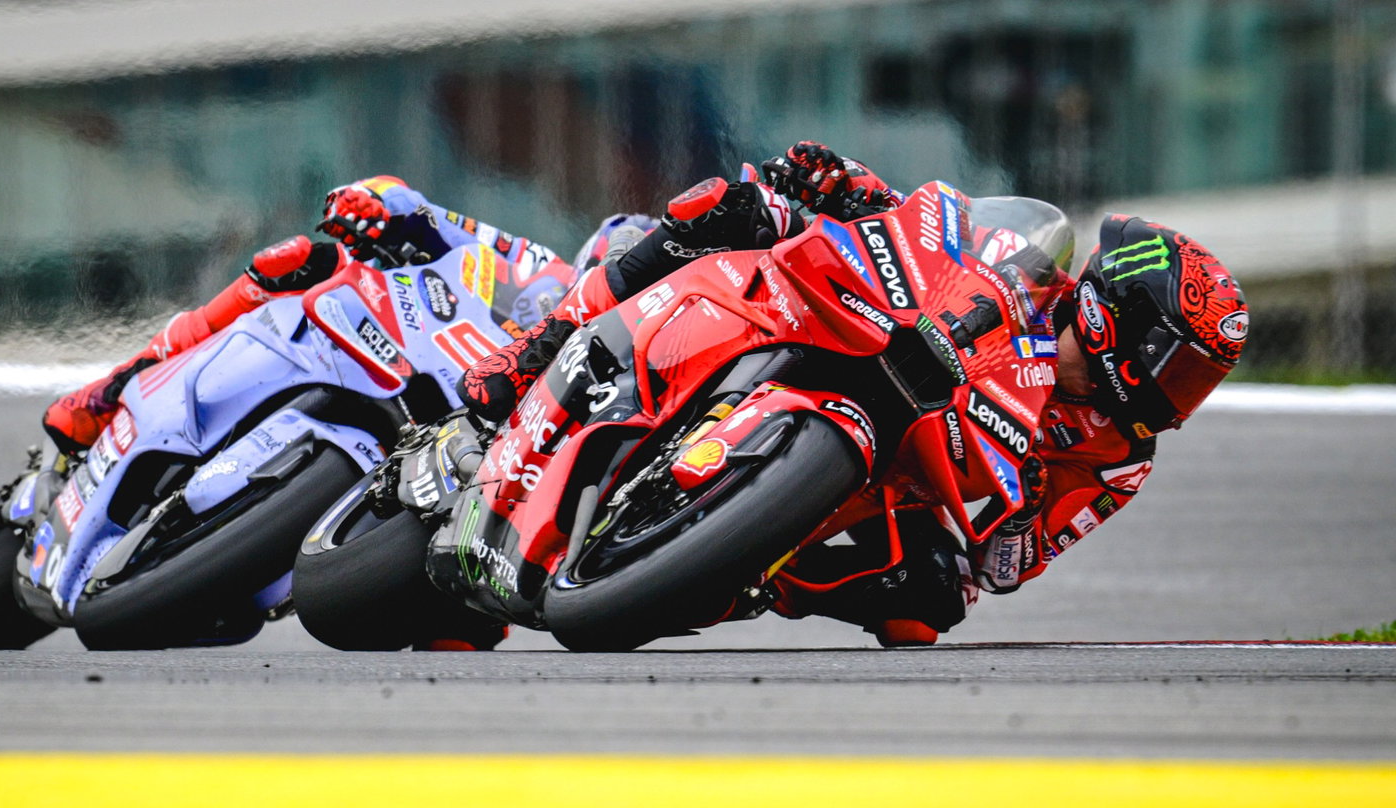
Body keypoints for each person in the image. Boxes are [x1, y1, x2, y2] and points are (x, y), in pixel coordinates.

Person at [459, 142, 1250, 647]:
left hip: (904, 473)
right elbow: (931, 235)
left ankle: (741, 568)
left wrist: (1017, 512)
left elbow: (1009, 563)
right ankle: (534, 353)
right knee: (735, 208)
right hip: (853, 326)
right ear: (1123, 317)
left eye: (1200, 383)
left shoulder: (1119, 459)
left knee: (930, 602)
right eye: (1180, 368)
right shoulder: (1031, 267)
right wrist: (853, 188)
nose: (1181, 396)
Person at [42, 175, 571, 454]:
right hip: (411, 339)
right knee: (296, 262)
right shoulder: (550, 269)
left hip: (479, 427)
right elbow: (436, 218)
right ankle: (115, 388)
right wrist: (374, 202)